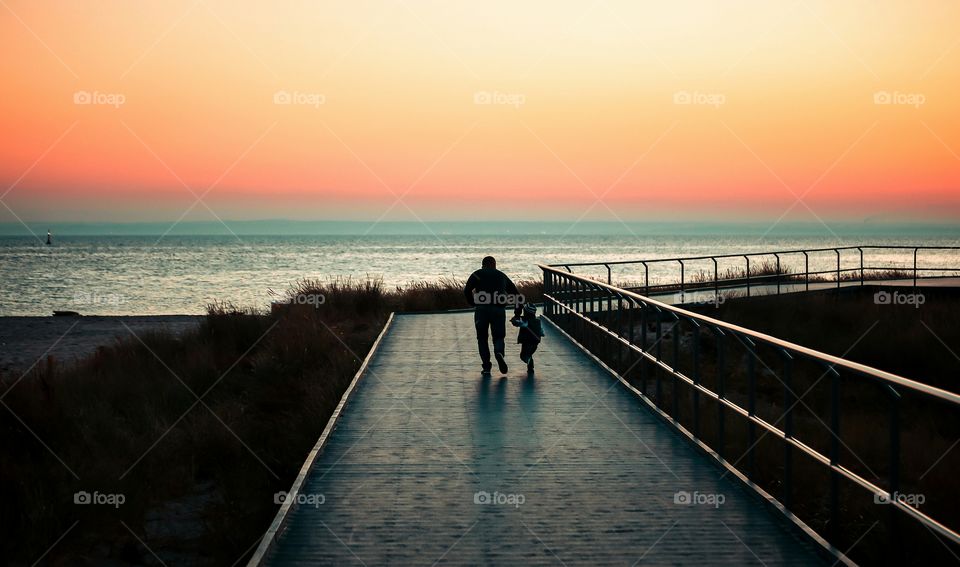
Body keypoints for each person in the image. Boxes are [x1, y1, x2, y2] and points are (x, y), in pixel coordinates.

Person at [463, 256, 521, 375]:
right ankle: (499, 353)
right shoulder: (501, 275)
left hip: (481, 309)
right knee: (499, 337)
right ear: (494, 265)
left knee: (482, 338)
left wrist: (472, 302)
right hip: (498, 310)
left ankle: (486, 367)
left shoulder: (477, 274)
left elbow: (466, 290)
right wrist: (517, 313)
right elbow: (516, 295)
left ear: (483, 265)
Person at [511, 303, 543, 373]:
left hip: (527, 342)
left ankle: (529, 362)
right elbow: (540, 331)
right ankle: (530, 368)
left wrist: (515, 319)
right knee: (529, 354)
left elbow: (515, 322)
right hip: (535, 343)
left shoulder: (524, 320)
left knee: (523, 356)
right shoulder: (537, 321)